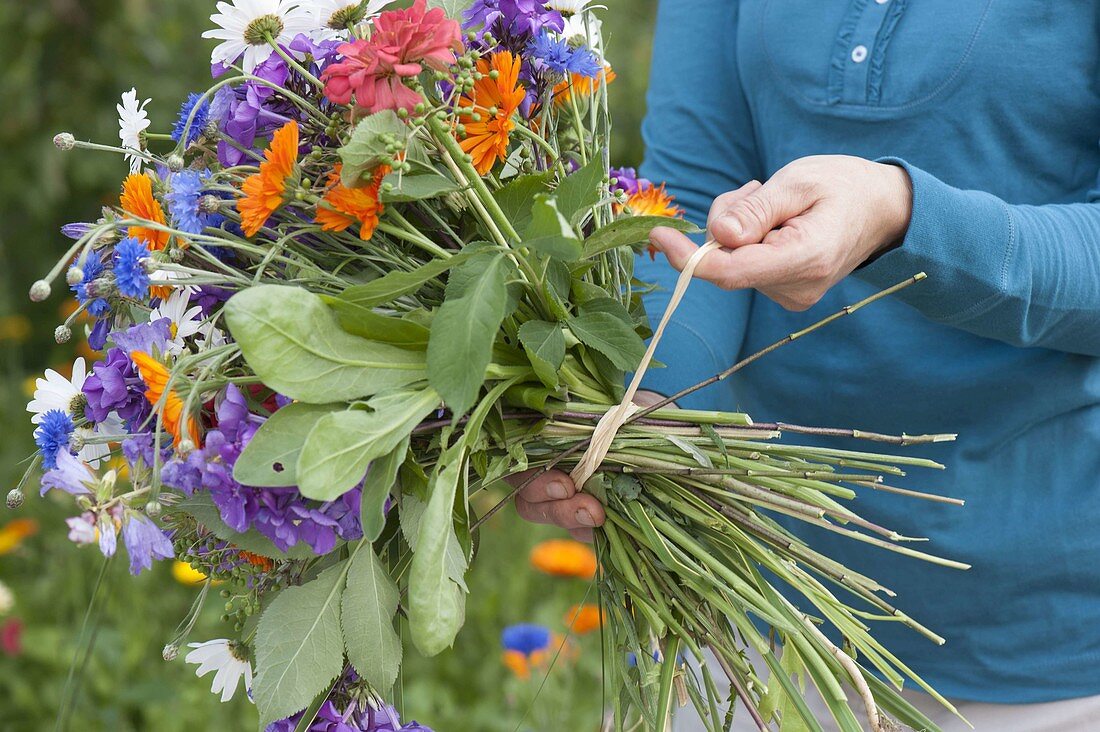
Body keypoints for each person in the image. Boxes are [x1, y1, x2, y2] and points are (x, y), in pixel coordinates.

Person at [512, 1, 1100, 730]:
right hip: (742, 594)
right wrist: (631, 421)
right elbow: (696, 196)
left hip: (1043, 648)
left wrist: (903, 216)